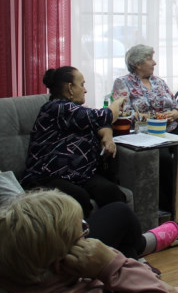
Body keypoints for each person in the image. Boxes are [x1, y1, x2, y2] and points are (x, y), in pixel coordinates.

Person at [0, 129, 178, 262]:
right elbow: (33, 219)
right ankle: (141, 248)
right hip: (58, 255)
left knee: (117, 224)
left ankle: (134, 257)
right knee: (121, 213)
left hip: (55, 238)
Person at [0, 189, 178, 293]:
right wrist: (112, 266)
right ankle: (145, 249)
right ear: (60, 263)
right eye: (82, 233)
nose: (88, 236)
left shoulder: (5, 262)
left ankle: (143, 251)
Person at [113, 45, 178, 225]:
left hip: (169, 128)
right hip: (145, 132)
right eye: (149, 59)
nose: (154, 63)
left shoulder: (159, 82)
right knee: (165, 160)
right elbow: (123, 113)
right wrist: (149, 117)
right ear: (137, 63)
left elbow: (177, 107)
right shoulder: (123, 82)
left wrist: (175, 113)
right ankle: (175, 204)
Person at [22, 66, 129, 218]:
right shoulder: (56, 108)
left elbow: (100, 124)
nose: (85, 90)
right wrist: (118, 101)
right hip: (49, 176)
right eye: (82, 84)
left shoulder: (75, 110)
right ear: (70, 88)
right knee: (79, 198)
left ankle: (114, 231)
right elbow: (103, 116)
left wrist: (107, 136)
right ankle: (83, 233)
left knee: (111, 192)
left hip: (80, 174)